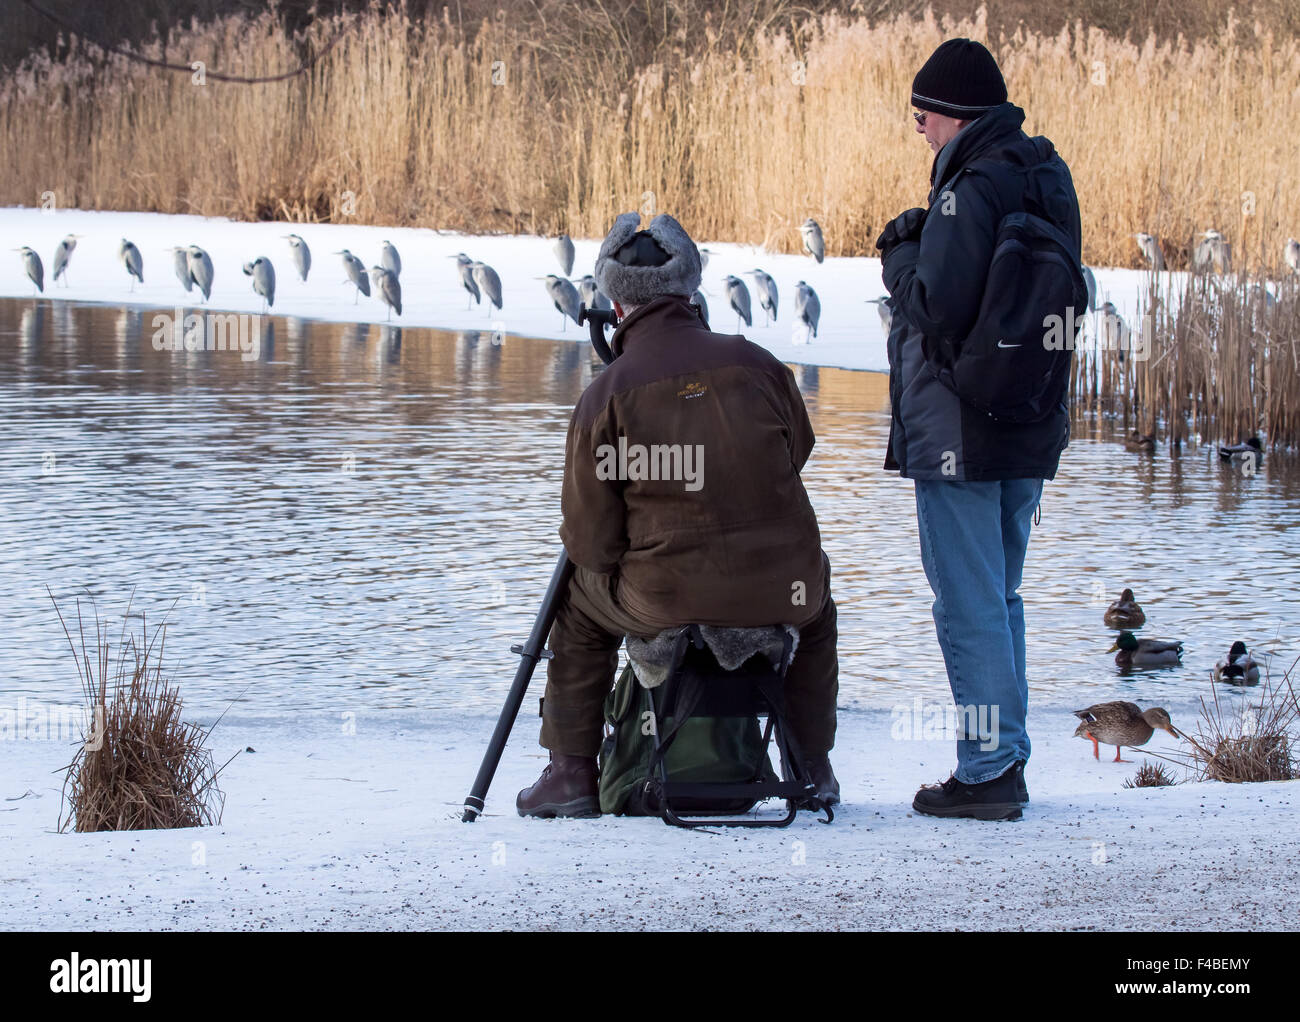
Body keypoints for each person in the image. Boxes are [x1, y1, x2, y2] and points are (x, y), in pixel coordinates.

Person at [517, 212, 840, 817]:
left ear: (615, 304)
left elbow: (591, 546)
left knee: (578, 604)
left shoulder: (606, 394)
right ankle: (815, 768)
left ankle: (571, 773)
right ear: (690, 290)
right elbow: (799, 452)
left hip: (665, 598)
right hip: (784, 589)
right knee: (816, 614)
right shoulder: (760, 364)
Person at [876, 39, 1082, 820]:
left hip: (961, 429)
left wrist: (900, 253)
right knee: (999, 596)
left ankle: (991, 768)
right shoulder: (1045, 174)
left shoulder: (970, 187)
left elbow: (935, 307)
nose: (920, 131)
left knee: (968, 603)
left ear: (953, 115)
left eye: (921, 116)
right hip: (1028, 419)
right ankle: (1008, 756)